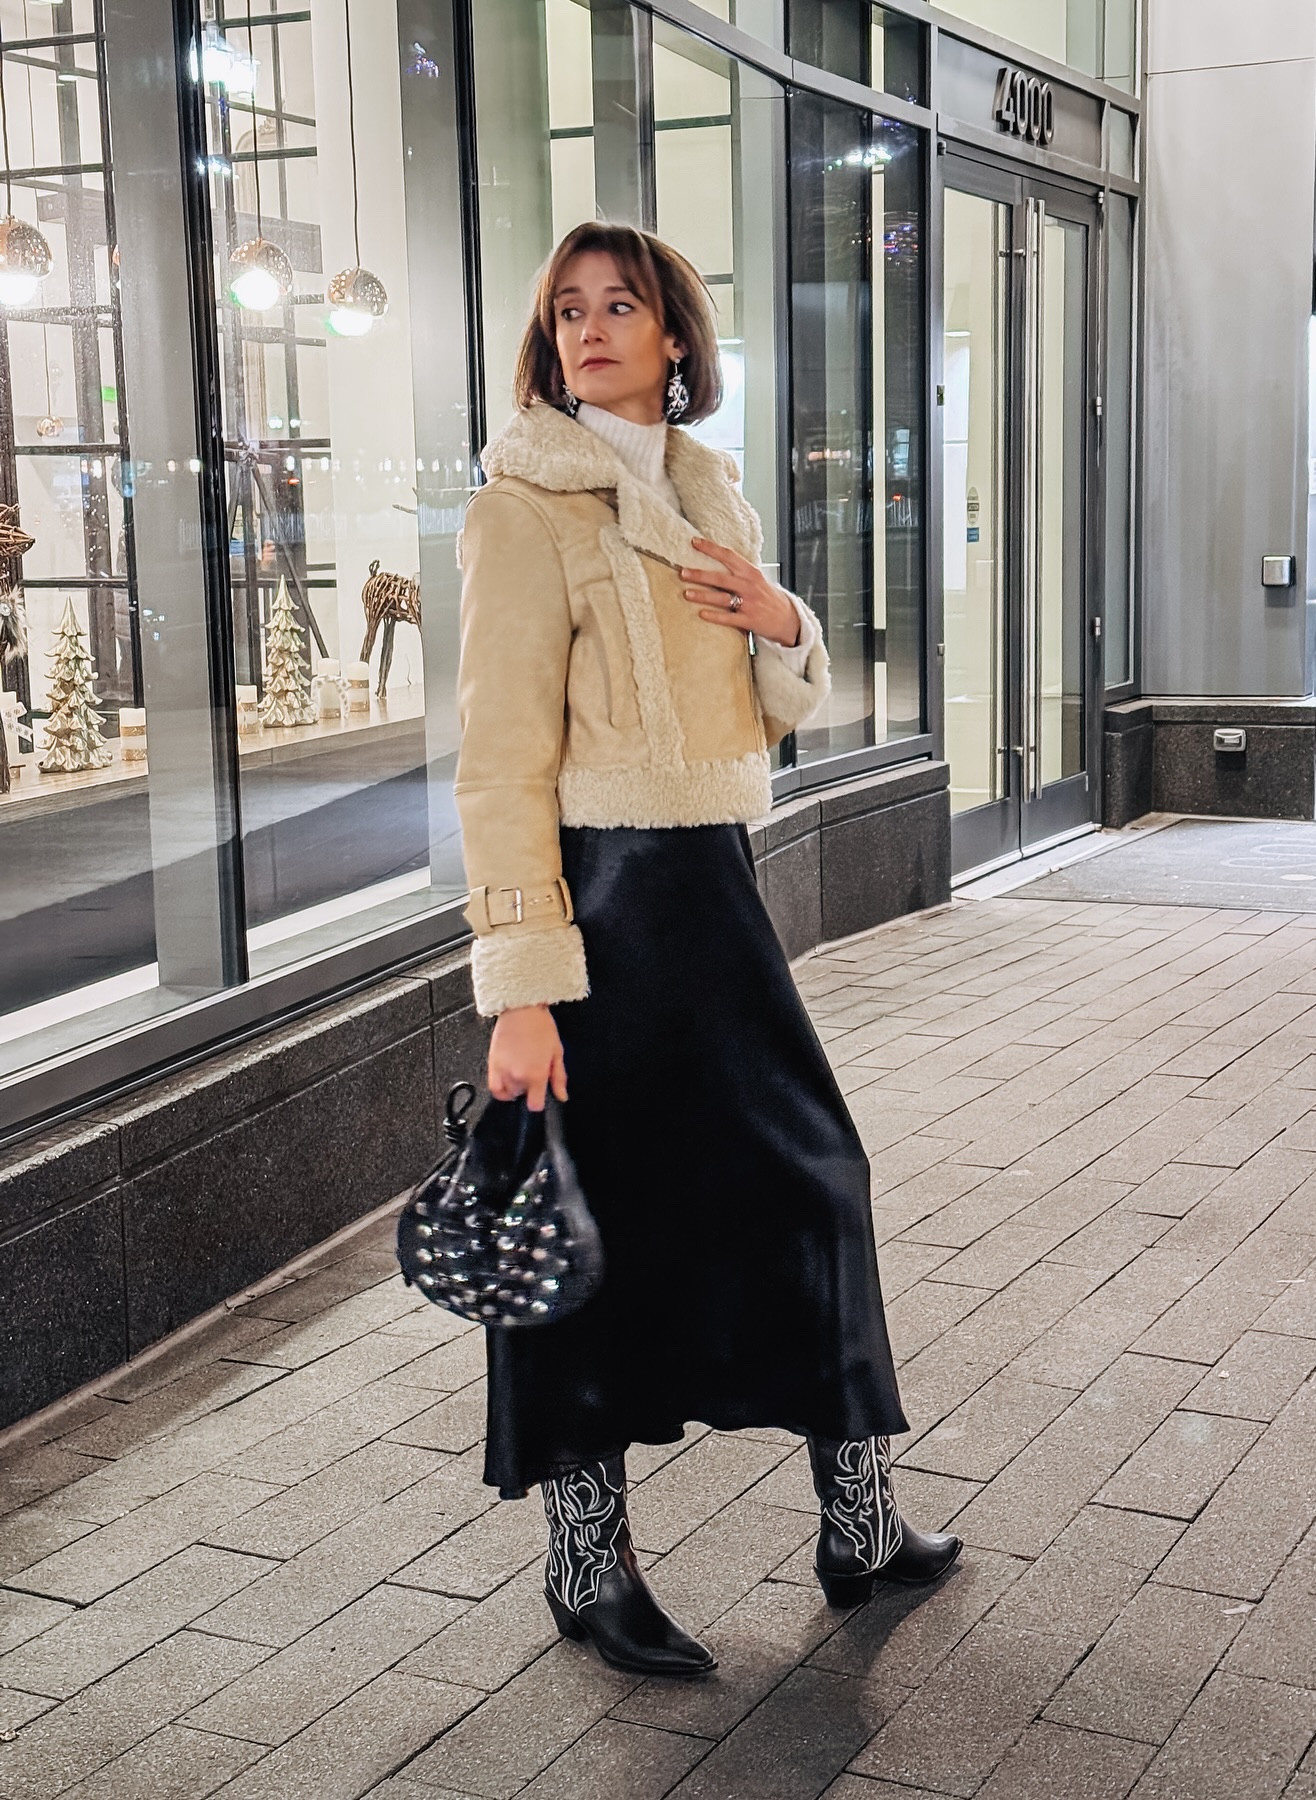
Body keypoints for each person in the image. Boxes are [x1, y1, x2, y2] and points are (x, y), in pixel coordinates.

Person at [455, 221, 959, 1680]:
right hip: (600, 905)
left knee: (817, 1185)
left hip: (713, 890)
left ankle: (858, 1524)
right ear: (547, 343)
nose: (593, 328)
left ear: (678, 337)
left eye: (623, 305)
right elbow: (496, 769)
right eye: (568, 311)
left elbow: (775, 709)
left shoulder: (706, 489)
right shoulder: (522, 514)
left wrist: (785, 615)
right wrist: (523, 988)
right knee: (586, 1229)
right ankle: (584, 1562)